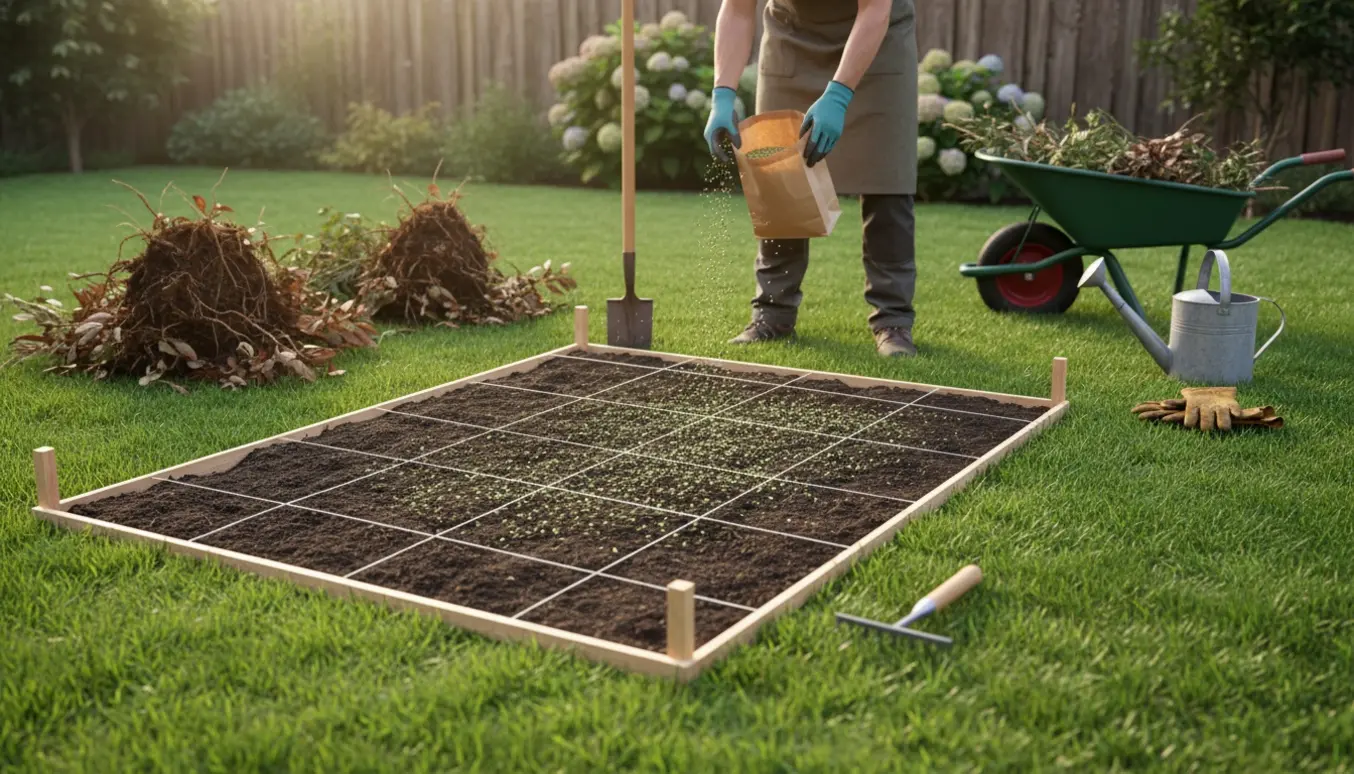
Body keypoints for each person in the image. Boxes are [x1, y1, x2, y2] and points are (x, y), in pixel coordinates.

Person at [704, 0, 920, 357]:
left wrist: (838, 95)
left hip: (877, 42)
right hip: (791, 38)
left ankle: (892, 321)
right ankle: (772, 313)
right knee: (778, 180)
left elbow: (874, 12)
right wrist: (722, 95)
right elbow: (738, 10)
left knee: (887, 179)